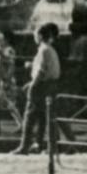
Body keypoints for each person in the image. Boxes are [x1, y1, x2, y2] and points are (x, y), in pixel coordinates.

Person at [12, 23, 61, 155]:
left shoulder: (43, 50)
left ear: (39, 36)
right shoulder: (50, 49)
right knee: (44, 116)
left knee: (30, 116)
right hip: (51, 84)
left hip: (41, 86)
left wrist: (32, 84)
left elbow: (41, 71)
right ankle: (44, 145)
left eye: (35, 34)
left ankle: (24, 146)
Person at [0, 29, 22, 130]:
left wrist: (7, 79)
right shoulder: (4, 50)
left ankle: (22, 124)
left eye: (2, 38)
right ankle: (20, 124)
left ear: (7, 39)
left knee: (10, 104)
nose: (0, 40)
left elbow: (11, 65)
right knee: (8, 104)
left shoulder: (9, 50)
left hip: (7, 79)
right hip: (3, 79)